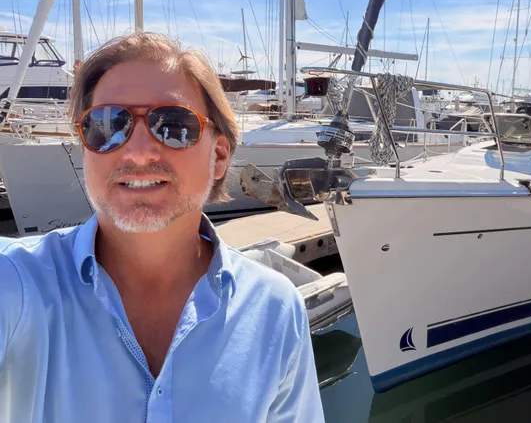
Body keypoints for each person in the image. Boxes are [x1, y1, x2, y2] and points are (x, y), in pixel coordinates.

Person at [0, 33, 324, 422]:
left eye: (174, 125)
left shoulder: (275, 310)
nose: (137, 151)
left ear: (219, 156)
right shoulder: (17, 284)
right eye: (106, 124)